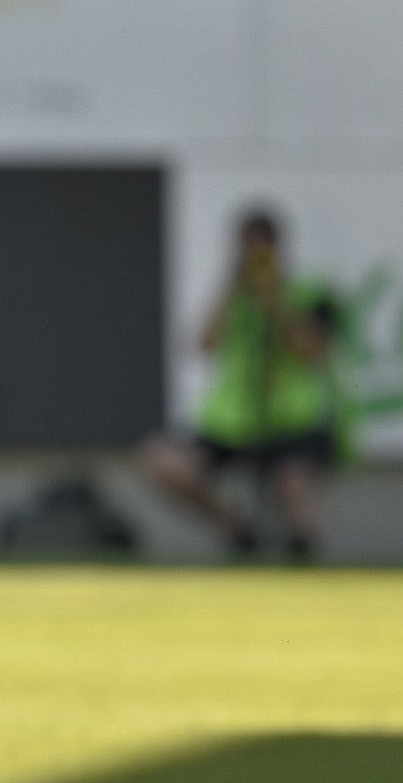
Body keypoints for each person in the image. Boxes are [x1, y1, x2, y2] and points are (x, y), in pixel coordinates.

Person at [140, 209, 343, 561]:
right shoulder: (229, 296)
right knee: (164, 461)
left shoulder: (307, 293)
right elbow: (203, 345)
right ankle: (236, 530)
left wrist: (276, 300)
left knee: (293, 484)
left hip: (291, 422)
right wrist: (230, 287)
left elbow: (313, 352)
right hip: (233, 423)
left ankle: (302, 552)